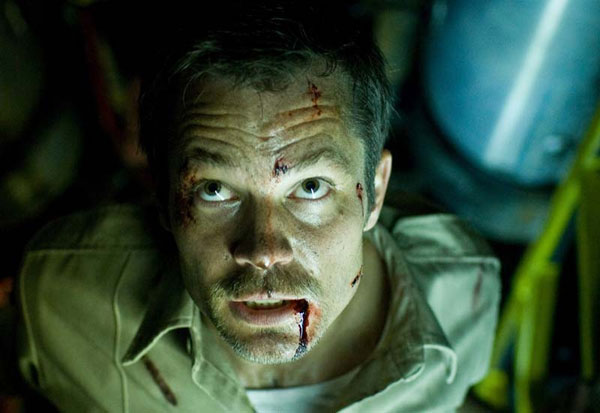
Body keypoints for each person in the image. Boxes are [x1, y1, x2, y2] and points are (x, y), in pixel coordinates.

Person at [17, 2, 500, 411]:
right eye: (214, 190)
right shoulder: (65, 302)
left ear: (375, 190)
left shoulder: (464, 294)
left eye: (311, 187)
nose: (264, 251)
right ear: (163, 198)